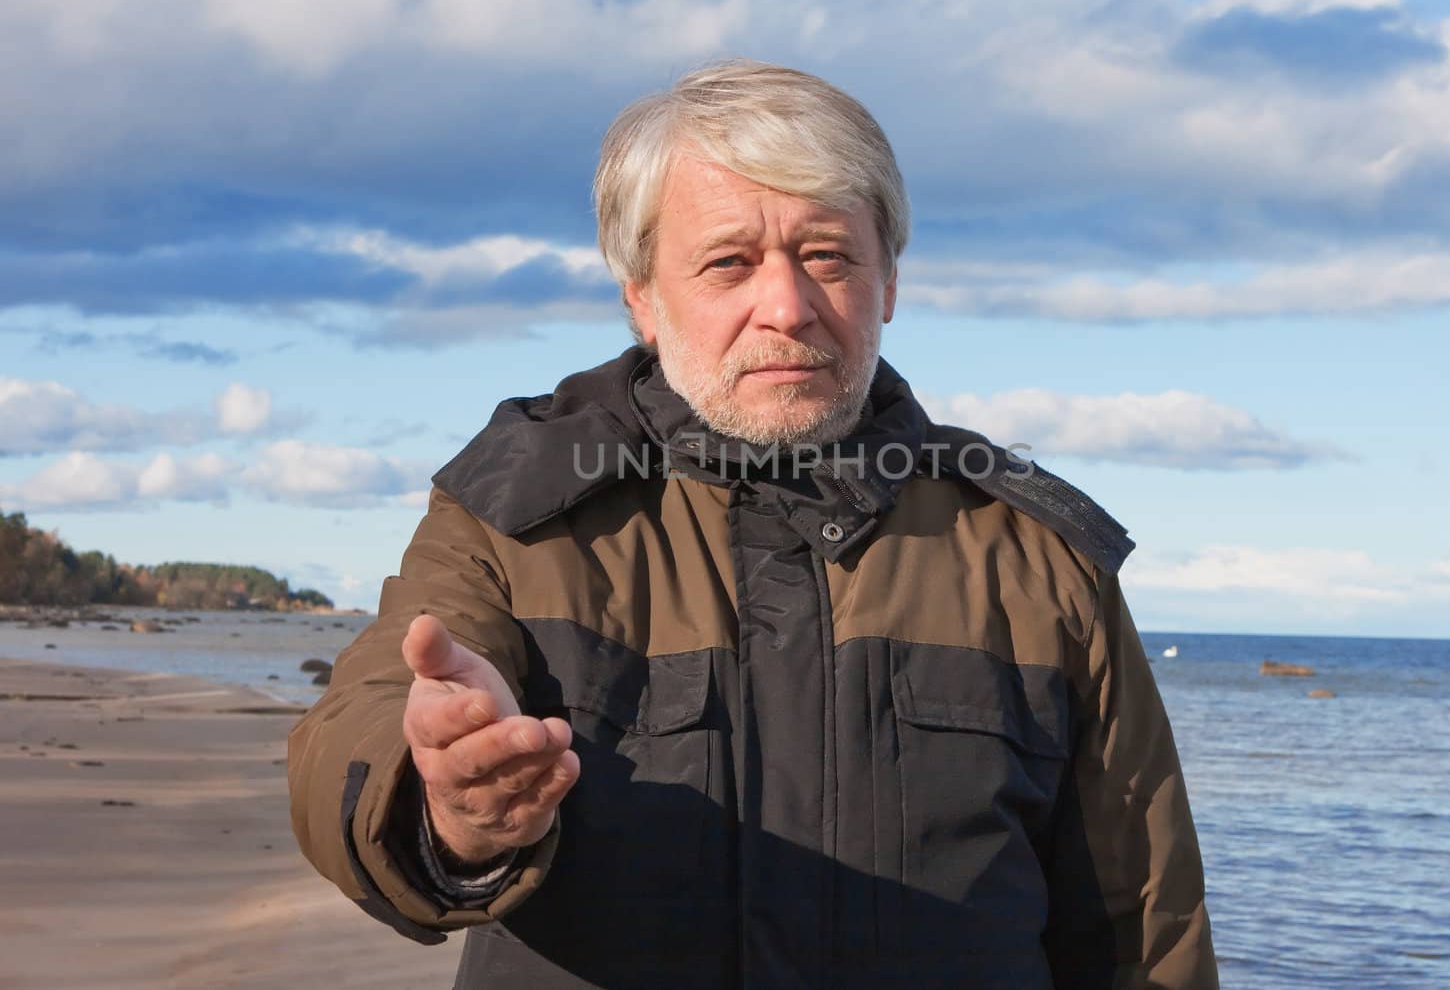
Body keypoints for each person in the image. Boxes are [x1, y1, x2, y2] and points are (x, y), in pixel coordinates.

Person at [287, 60, 1217, 989]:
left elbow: (1146, 924)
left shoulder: (1036, 556)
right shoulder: (516, 514)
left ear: (886, 283)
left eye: (827, 256)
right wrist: (445, 808)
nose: (787, 305)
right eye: (730, 261)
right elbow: (351, 738)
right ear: (643, 295)